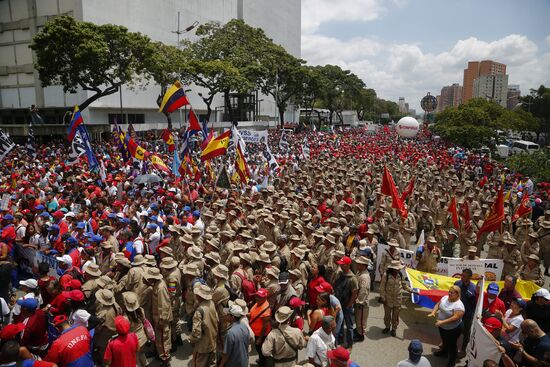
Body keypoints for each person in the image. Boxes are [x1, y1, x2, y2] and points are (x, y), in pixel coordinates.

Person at [429, 285, 465, 367]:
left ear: (457, 294)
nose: (449, 293)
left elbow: (455, 317)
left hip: (454, 329)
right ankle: (444, 352)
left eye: (452, 293)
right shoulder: (445, 297)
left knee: (452, 345)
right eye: (449, 291)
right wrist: (433, 312)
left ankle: (452, 362)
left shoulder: (459, 305)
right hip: (442, 326)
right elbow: (438, 304)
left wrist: (442, 322)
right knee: (444, 340)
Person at [380, 260, 412, 337]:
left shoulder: (400, 275)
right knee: (387, 315)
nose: (398, 269)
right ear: (392, 268)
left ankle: (394, 329)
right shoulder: (386, 275)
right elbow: (382, 287)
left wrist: (412, 291)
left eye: (399, 268)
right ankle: (387, 327)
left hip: (398, 299)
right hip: (388, 299)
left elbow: (404, 286)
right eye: (397, 268)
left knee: (395, 315)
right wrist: (383, 297)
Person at [189, 284, 218, 367]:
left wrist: (191, 340)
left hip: (203, 345)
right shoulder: (211, 303)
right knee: (212, 364)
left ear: (200, 296)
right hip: (212, 341)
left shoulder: (199, 310)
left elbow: (196, 332)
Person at [453, 269, 477, 354]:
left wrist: (473, 317)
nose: (462, 278)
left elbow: (475, 305)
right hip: (455, 313)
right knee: (453, 331)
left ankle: (463, 350)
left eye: (464, 276)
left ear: (470, 277)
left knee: (466, 333)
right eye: (462, 275)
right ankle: (449, 346)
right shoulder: (457, 284)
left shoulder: (474, 289)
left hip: (467, 316)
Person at [249, 288, 272, 367]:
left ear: (265, 297)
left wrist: (260, 338)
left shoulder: (265, 310)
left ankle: (263, 364)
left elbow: (266, 325)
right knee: (259, 350)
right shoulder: (258, 303)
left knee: (261, 350)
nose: (257, 298)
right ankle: (261, 360)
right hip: (255, 332)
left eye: (260, 297)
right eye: (257, 296)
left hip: (260, 334)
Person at [353, 256, 371, 342]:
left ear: (364, 265)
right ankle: (357, 330)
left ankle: (361, 335)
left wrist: (359, 302)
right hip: (357, 301)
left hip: (361, 303)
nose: (357, 265)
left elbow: (363, 292)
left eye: (359, 264)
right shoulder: (360, 272)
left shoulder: (365, 277)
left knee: (361, 320)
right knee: (357, 318)